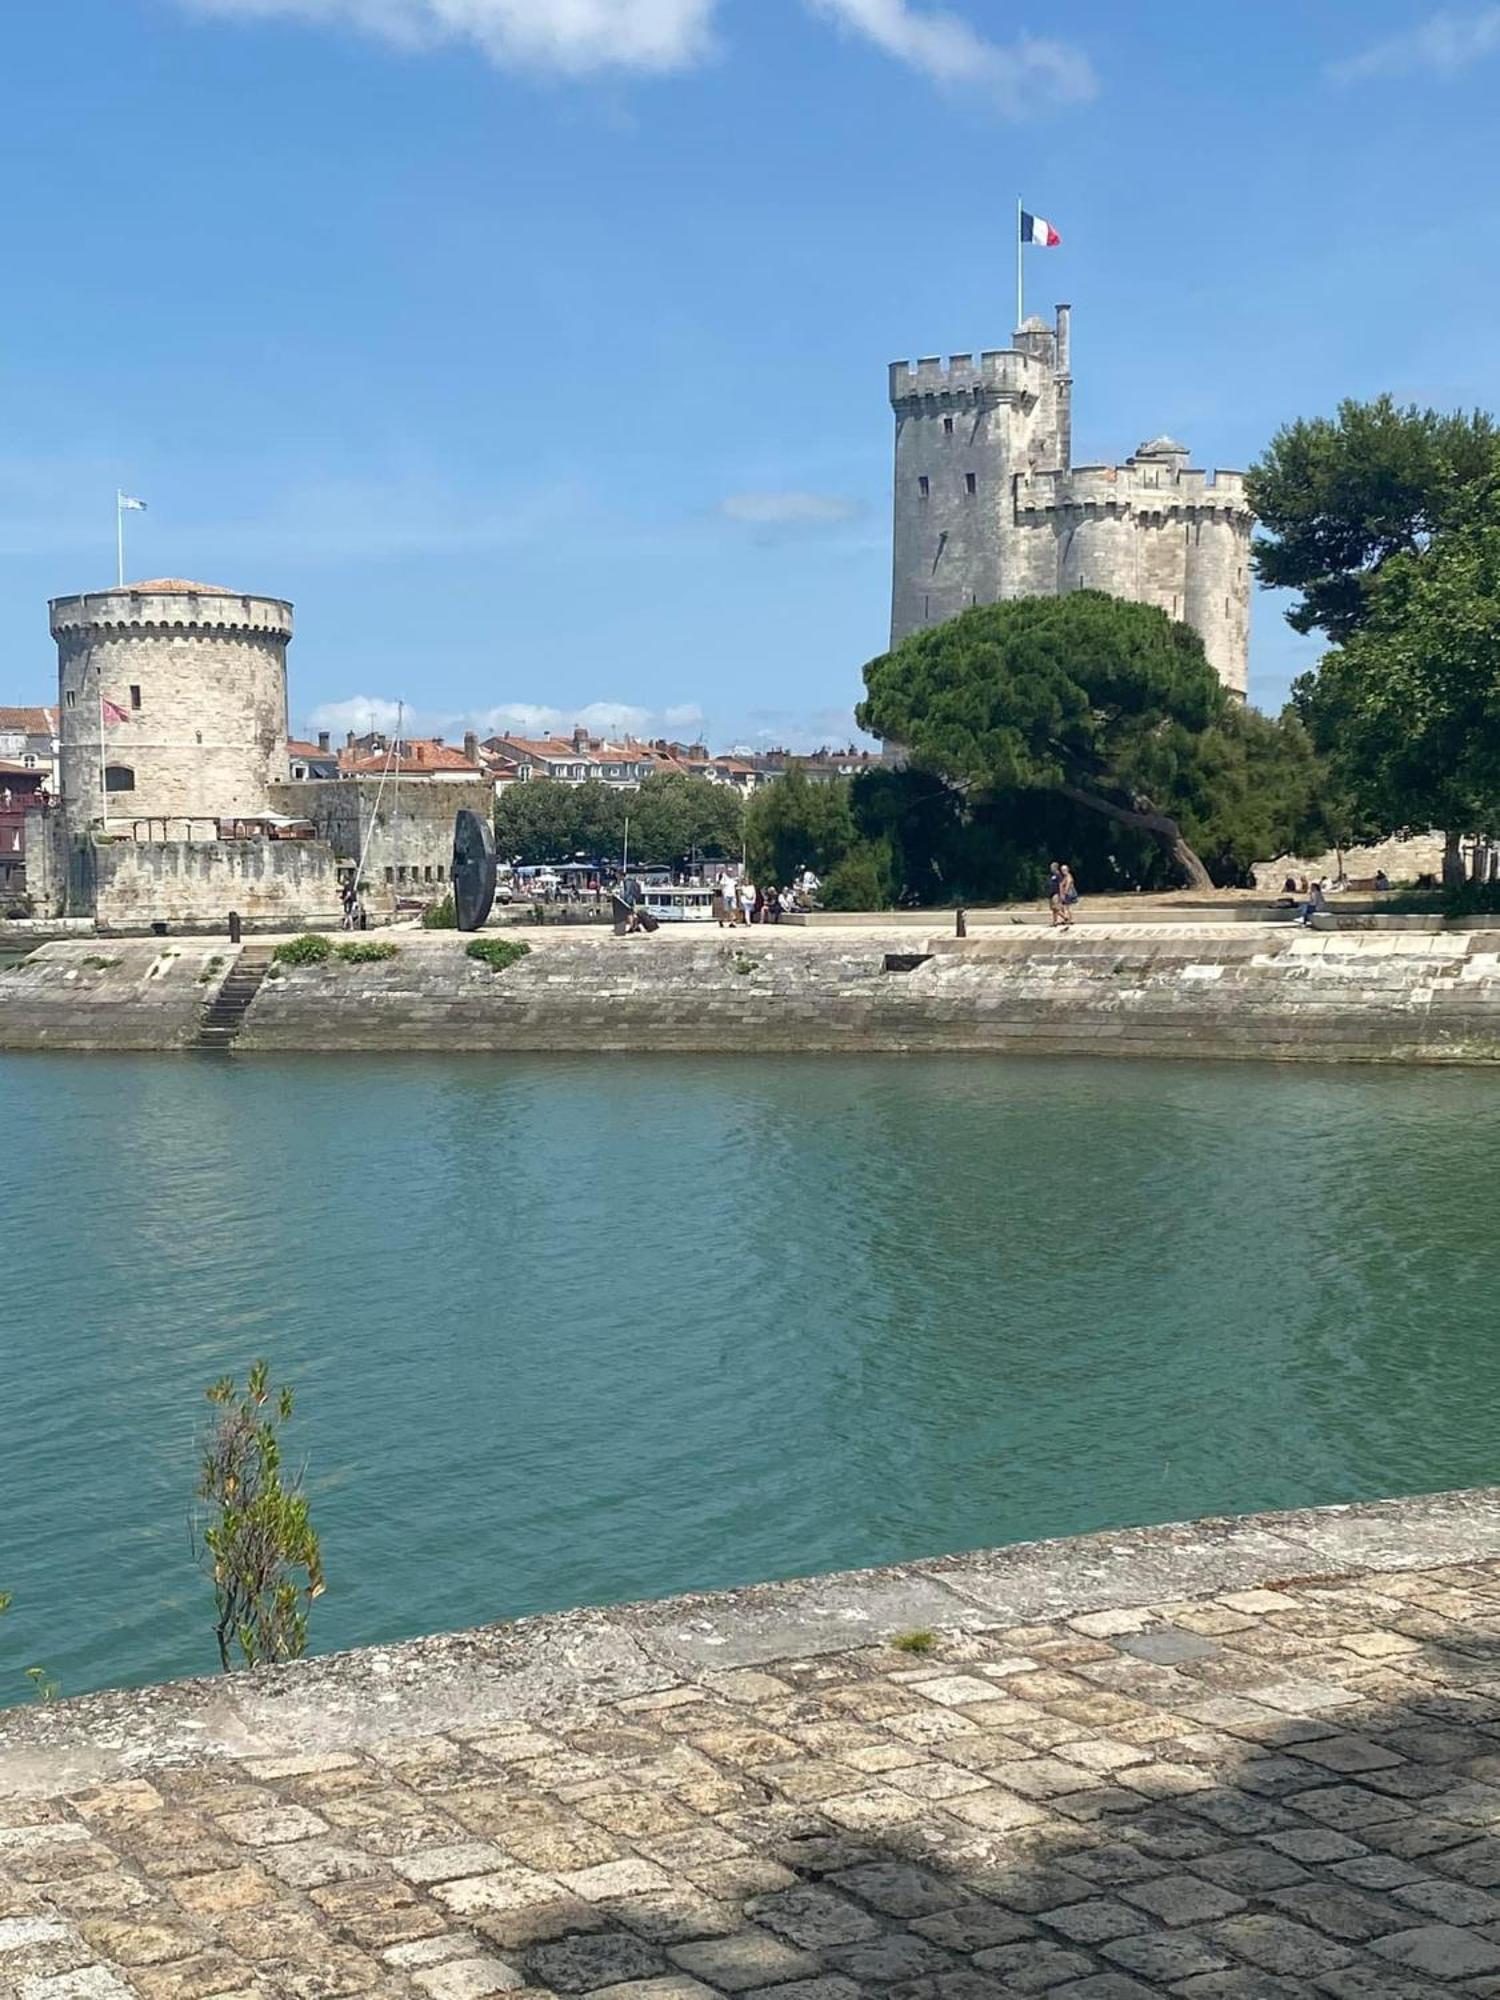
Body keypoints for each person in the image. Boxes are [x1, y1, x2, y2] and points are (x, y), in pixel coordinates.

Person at [1058, 862, 1078, 928]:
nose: (1063, 871)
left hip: (1068, 893)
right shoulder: (1065, 876)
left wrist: (1064, 894)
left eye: (1064, 870)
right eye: (1062, 870)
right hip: (1066, 893)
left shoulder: (1068, 876)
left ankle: (1071, 919)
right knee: (1063, 906)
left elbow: (1068, 885)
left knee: (1068, 907)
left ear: (1067, 870)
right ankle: (1065, 919)